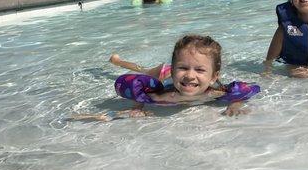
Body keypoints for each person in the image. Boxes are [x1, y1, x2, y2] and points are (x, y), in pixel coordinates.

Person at [110, 35, 260, 117]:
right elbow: (141, 94)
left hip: (178, 73)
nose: (189, 75)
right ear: (175, 68)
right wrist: (138, 107)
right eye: (183, 68)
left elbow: (241, 93)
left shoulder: (215, 92)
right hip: (164, 73)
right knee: (142, 70)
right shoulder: (166, 95)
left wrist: (233, 105)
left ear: (213, 77)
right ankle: (117, 61)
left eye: (200, 70)